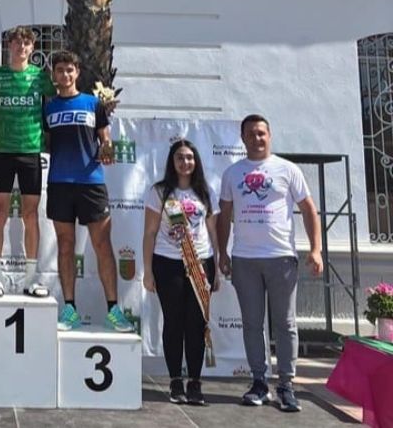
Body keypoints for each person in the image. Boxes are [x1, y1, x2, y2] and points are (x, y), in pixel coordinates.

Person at [217, 114, 323, 412]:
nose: (257, 138)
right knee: (252, 324)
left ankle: (286, 385)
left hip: (281, 258)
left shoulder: (287, 169)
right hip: (245, 260)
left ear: (270, 135)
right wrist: (223, 252)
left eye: (261, 133)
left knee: (285, 323)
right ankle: (259, 382)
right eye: (251, 134)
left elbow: (309, 209)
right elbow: (224, 215)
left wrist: (316, 250)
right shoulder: (232, 173)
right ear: (243, 138)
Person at [43, 50, 133, 332]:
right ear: (54, 74)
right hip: (59, 182)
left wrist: (107, 149)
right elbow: (44, 141)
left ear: (77, 73)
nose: (65, 74)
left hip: (91, 182)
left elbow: (105, 139)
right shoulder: (47, 107)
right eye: (60, 70)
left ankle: (113, 310)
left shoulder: (93, 104)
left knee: (102, 245)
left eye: (69, 69)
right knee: (65, 245)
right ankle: (69, 309)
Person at [0, 25, 56, 298]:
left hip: (30, 151)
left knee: (30, 215)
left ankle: (31, 279)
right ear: (9, 46)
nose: (21, 47)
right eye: (17, 43)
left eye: (26, 44)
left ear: (32, 48)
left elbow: (55, 101)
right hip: (1, 151)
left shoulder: (40, 77)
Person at [143, 140, 220, 405]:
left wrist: (217, 268)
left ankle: (195, 382)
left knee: (197, 324)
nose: (185, 162)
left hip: (201, 263)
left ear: (195, 161)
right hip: (168, 263)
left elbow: (213, 232)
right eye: (179, 157)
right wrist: (148, 271)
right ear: (172, 161)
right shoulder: (160, 191)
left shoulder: (205, 192)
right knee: (174, 322)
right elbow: (150, 232)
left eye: (189, 157)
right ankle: (176, 380)